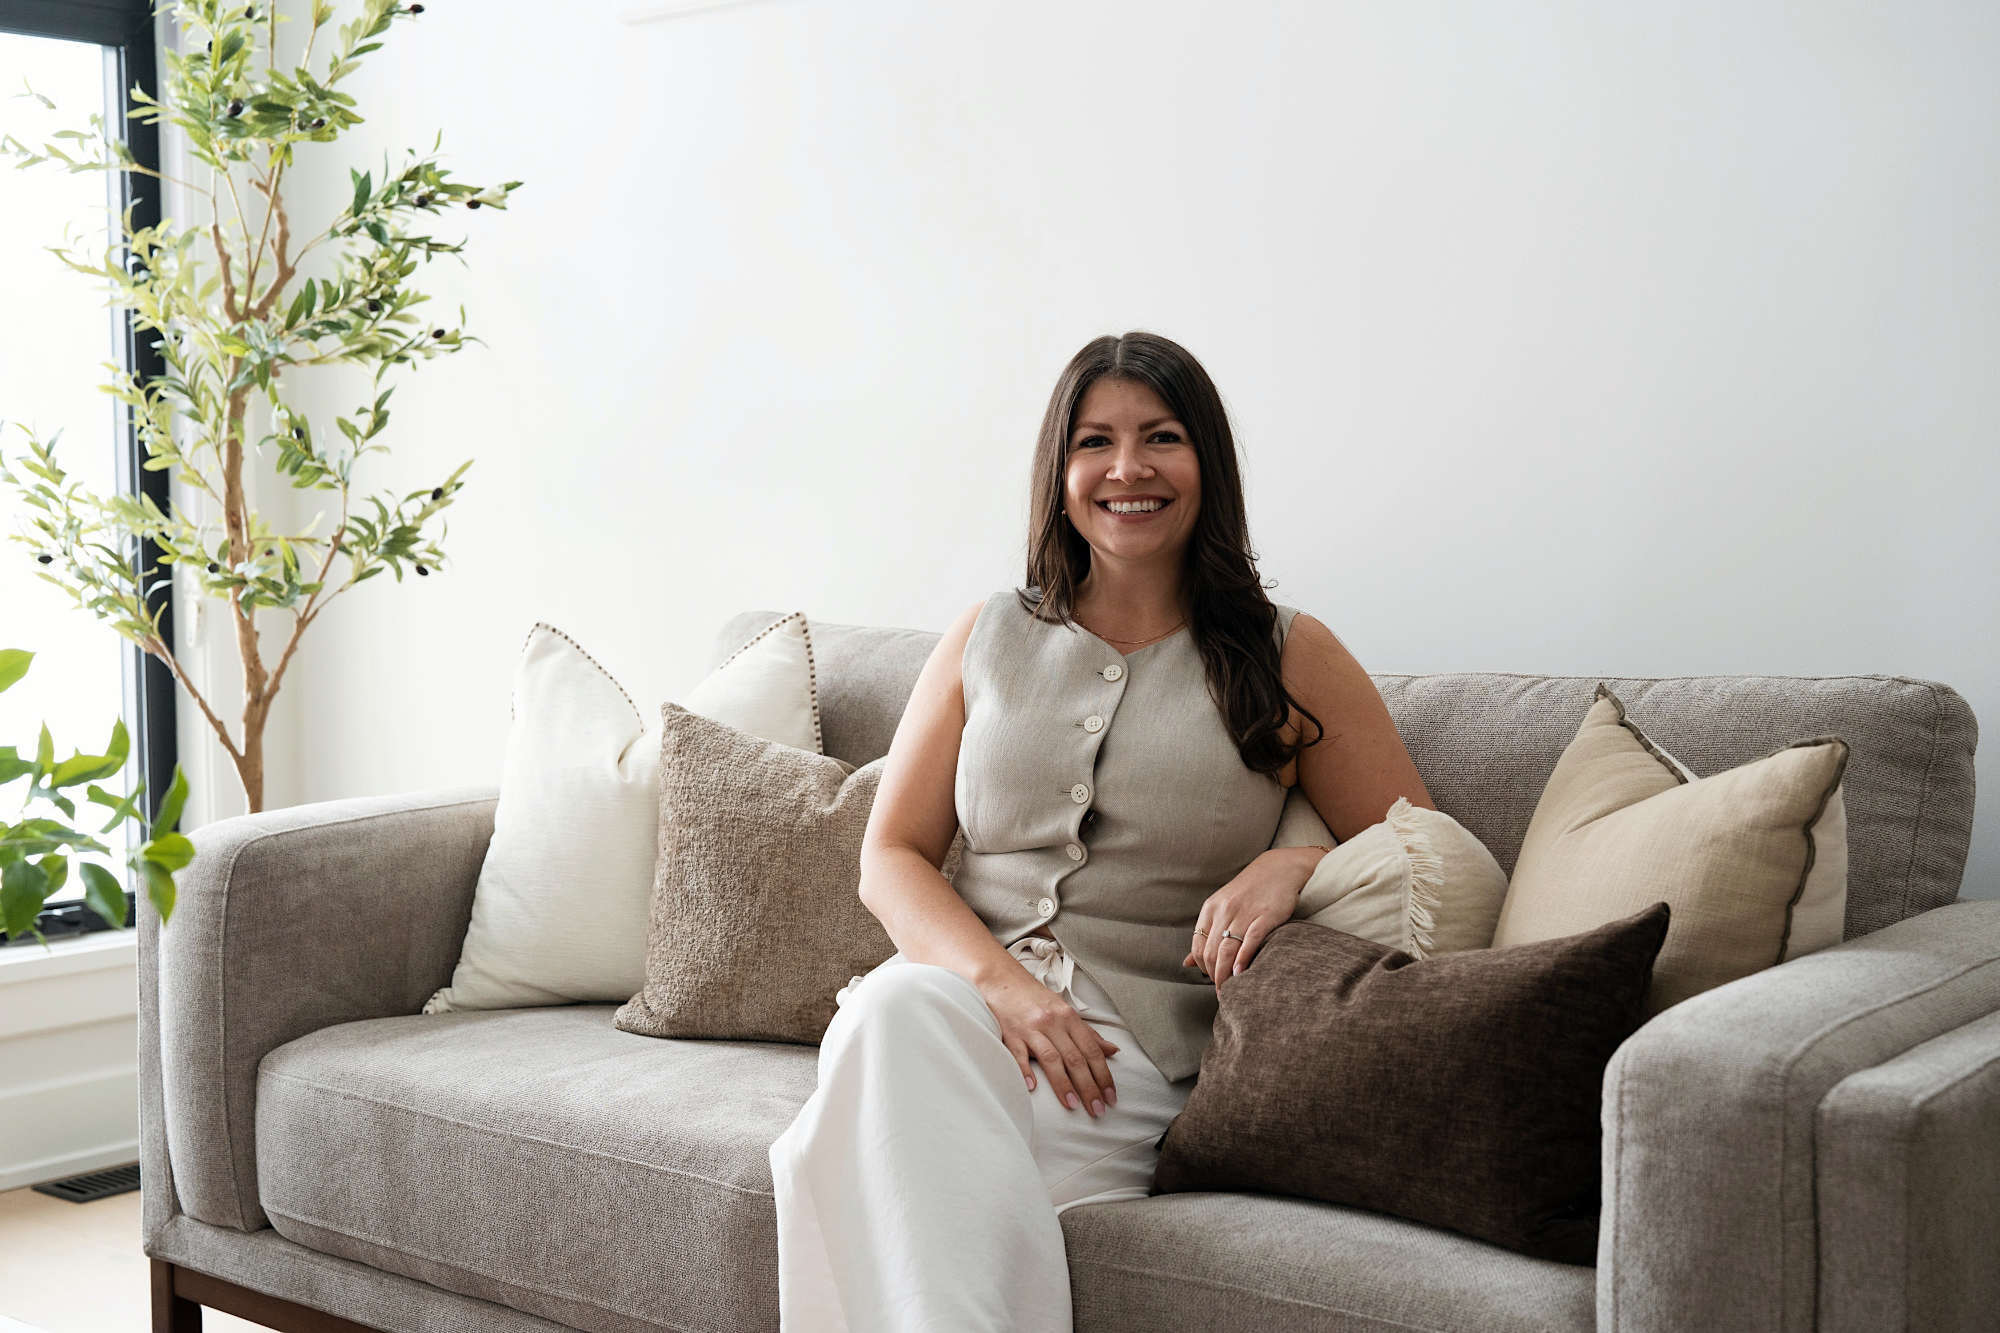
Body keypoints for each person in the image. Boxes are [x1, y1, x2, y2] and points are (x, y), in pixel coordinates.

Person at [766, 330, 1436, 1331]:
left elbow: (1424, 847)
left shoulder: (1287, 654)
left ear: (1206, 462)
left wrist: (1296, 862)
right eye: (1095, 441)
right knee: (892, 1015)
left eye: (1160, 437)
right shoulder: (986, 634)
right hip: (955, 1007)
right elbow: (889, 855)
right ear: (1060, 470)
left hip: (1124, 1058)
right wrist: (1008, 988)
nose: (1127, 468)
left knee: (864, 1135)